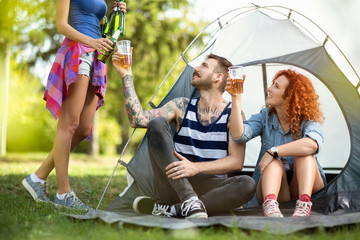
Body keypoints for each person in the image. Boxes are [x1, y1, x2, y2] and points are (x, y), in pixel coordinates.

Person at [111, 50, 256, 218]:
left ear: (218, 77)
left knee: (247, 184)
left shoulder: (234, 114)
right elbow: (138, 119)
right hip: (174, 184)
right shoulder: (181, 106)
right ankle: (188, 200)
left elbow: (236, 162)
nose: (196, 68)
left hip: (209, 187)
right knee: (157, 123)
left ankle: (174, 210)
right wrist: (126, 75)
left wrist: (195, 168)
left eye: (204, 66)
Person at [22, 0, 127, 210]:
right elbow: (61, 25)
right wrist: (93, 41)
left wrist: (116, 13)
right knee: (68, 125)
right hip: (77, 52)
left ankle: (38, 177)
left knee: (83, 128)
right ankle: (63, 193)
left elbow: (101, 25)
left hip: (95, 56)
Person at [228, 69, 326, 217]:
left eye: (276, 86)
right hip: (279, 193)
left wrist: (274, 150)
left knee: (305, 155)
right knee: (273, 162)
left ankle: (304, 204)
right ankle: (270, 205)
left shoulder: (307, 121)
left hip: (308, 190)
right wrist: (236, 98)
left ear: (290, 96)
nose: (269, 89)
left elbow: (312, 144)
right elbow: (239, 135)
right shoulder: (265, 117)